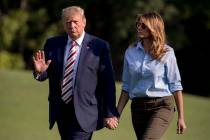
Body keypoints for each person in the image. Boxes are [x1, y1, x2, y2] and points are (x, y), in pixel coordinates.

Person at [33, 6, 119, 140]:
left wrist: (110, 113)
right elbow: (46, 74)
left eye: (75, 22)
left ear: (84, 22)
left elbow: (107, 82)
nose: (72, 26)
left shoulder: (99, 46)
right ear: (63, 25)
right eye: (68, 22)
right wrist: (40, 72)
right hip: (60, 110)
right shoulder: (53, 44)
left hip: (86, 111)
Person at [117, 11, 187, 140]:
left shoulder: (167, 53)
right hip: (138, 108)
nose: (139, 27)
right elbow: (126, 86)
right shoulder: (130, 51)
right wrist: (117, 114)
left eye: (143, 25)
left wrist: (181, 117)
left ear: (154, 28)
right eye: (138, 24)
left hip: (162, 105)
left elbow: (176, 86)